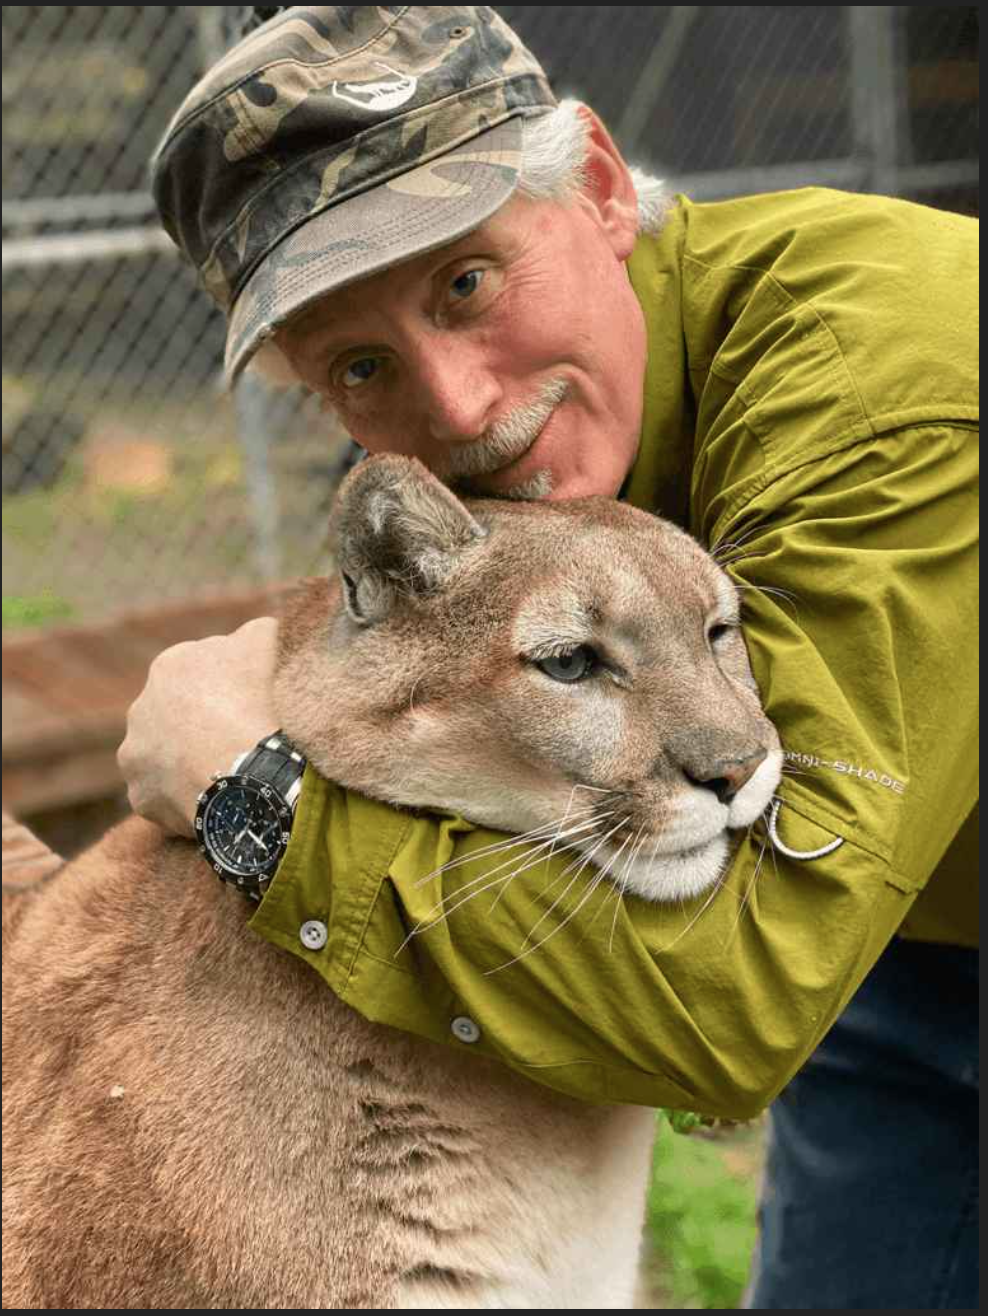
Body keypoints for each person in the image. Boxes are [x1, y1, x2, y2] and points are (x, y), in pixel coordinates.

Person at [121, 7, 977, 1308]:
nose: (459, 408)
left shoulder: (882, 387)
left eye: (467, 283)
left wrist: (260, 807)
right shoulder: (478, 478)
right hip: (900, 939)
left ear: (603, 189)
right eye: (360, 364)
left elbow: (738, 996)